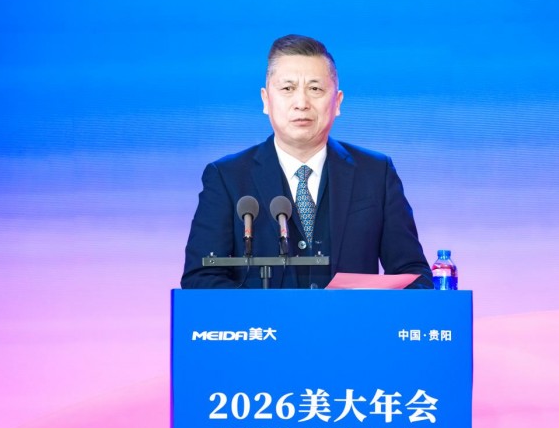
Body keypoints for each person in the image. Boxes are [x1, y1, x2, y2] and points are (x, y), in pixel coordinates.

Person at [181, 34, 432, 289]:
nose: (301, 103)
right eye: (287, 89)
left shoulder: (376, 173)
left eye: (315, 89)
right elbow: (201, 279)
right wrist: (265, 310)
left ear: (337, 102)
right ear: (266, 100)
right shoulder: (227, 177)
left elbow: (413, 274)